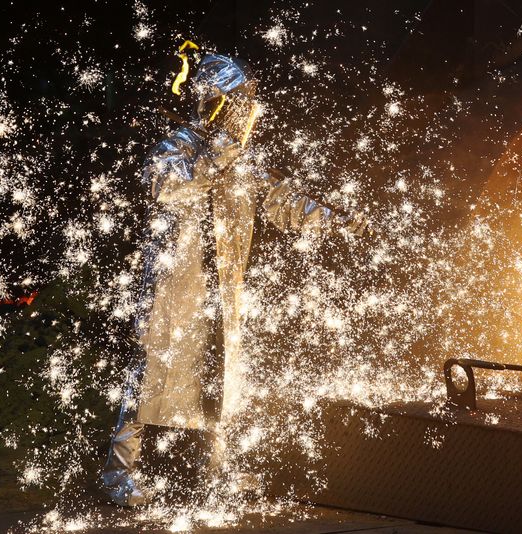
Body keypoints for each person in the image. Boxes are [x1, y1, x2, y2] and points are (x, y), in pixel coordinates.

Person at [101, 49, 368, 507]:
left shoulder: (243, 161)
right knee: (149, 376)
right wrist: (218, 156)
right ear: (214, 103)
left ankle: (216, 472)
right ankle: (118, 472)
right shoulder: (177, 146)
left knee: (218, 375)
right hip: (173, 287)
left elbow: (285, 202)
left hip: (220, 288)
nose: (244, 115)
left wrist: (337, 219)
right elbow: (169, 186)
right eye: (236, 103)